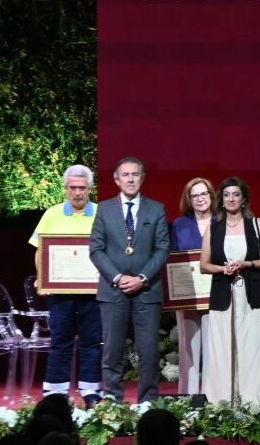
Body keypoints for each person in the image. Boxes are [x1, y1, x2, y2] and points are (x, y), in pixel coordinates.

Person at [88, 157, 170, 403]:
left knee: (149, 351)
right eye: (125, 175)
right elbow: (96, 249)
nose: (131, 179)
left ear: (142, 178)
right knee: (112, 351)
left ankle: (148, 402)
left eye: (135, 174)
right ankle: (113, 403)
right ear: (116, 179)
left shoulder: (156, 209)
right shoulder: (104, 209)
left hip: (147, 290)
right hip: (113, 291)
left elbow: (162, 249)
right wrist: (117, 277)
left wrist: (142, 278)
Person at [27, 165, 103, 406]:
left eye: (82, 188)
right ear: (65, 188)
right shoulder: (52, 214)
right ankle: (55, 393)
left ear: (90, 189)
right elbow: (40, 251)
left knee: (92, 342)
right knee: (60, 341)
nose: (77, 192)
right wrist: (43, 277)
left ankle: (91, 391)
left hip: (93, 292)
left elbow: (110, 250)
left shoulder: (102, 214)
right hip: (59, 293)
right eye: (73, 188)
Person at [200, 177, 260, 405]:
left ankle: (250, 405)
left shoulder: (256, 224)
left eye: (236, 194)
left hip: (250, 295)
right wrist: (223, 269)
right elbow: (204, 265)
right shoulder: (214, 227)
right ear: (221, 200)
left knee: (250, 348)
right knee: (220, 349)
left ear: (244, 199)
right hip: (222, 294)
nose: (231, 199)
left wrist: (247, 264)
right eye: (226, 195)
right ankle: (220, 404)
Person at [169, 177, 217, 395]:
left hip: (216, 293)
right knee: (187, 347)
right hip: (187, 294)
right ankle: (187, 398)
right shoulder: (180, 224)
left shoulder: (222, 221)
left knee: (214, 348)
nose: (200, 199)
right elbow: (172, 258)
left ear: (211, 195)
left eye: (203, 194)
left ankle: (212, 398)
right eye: (194, 195)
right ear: (188, 199)